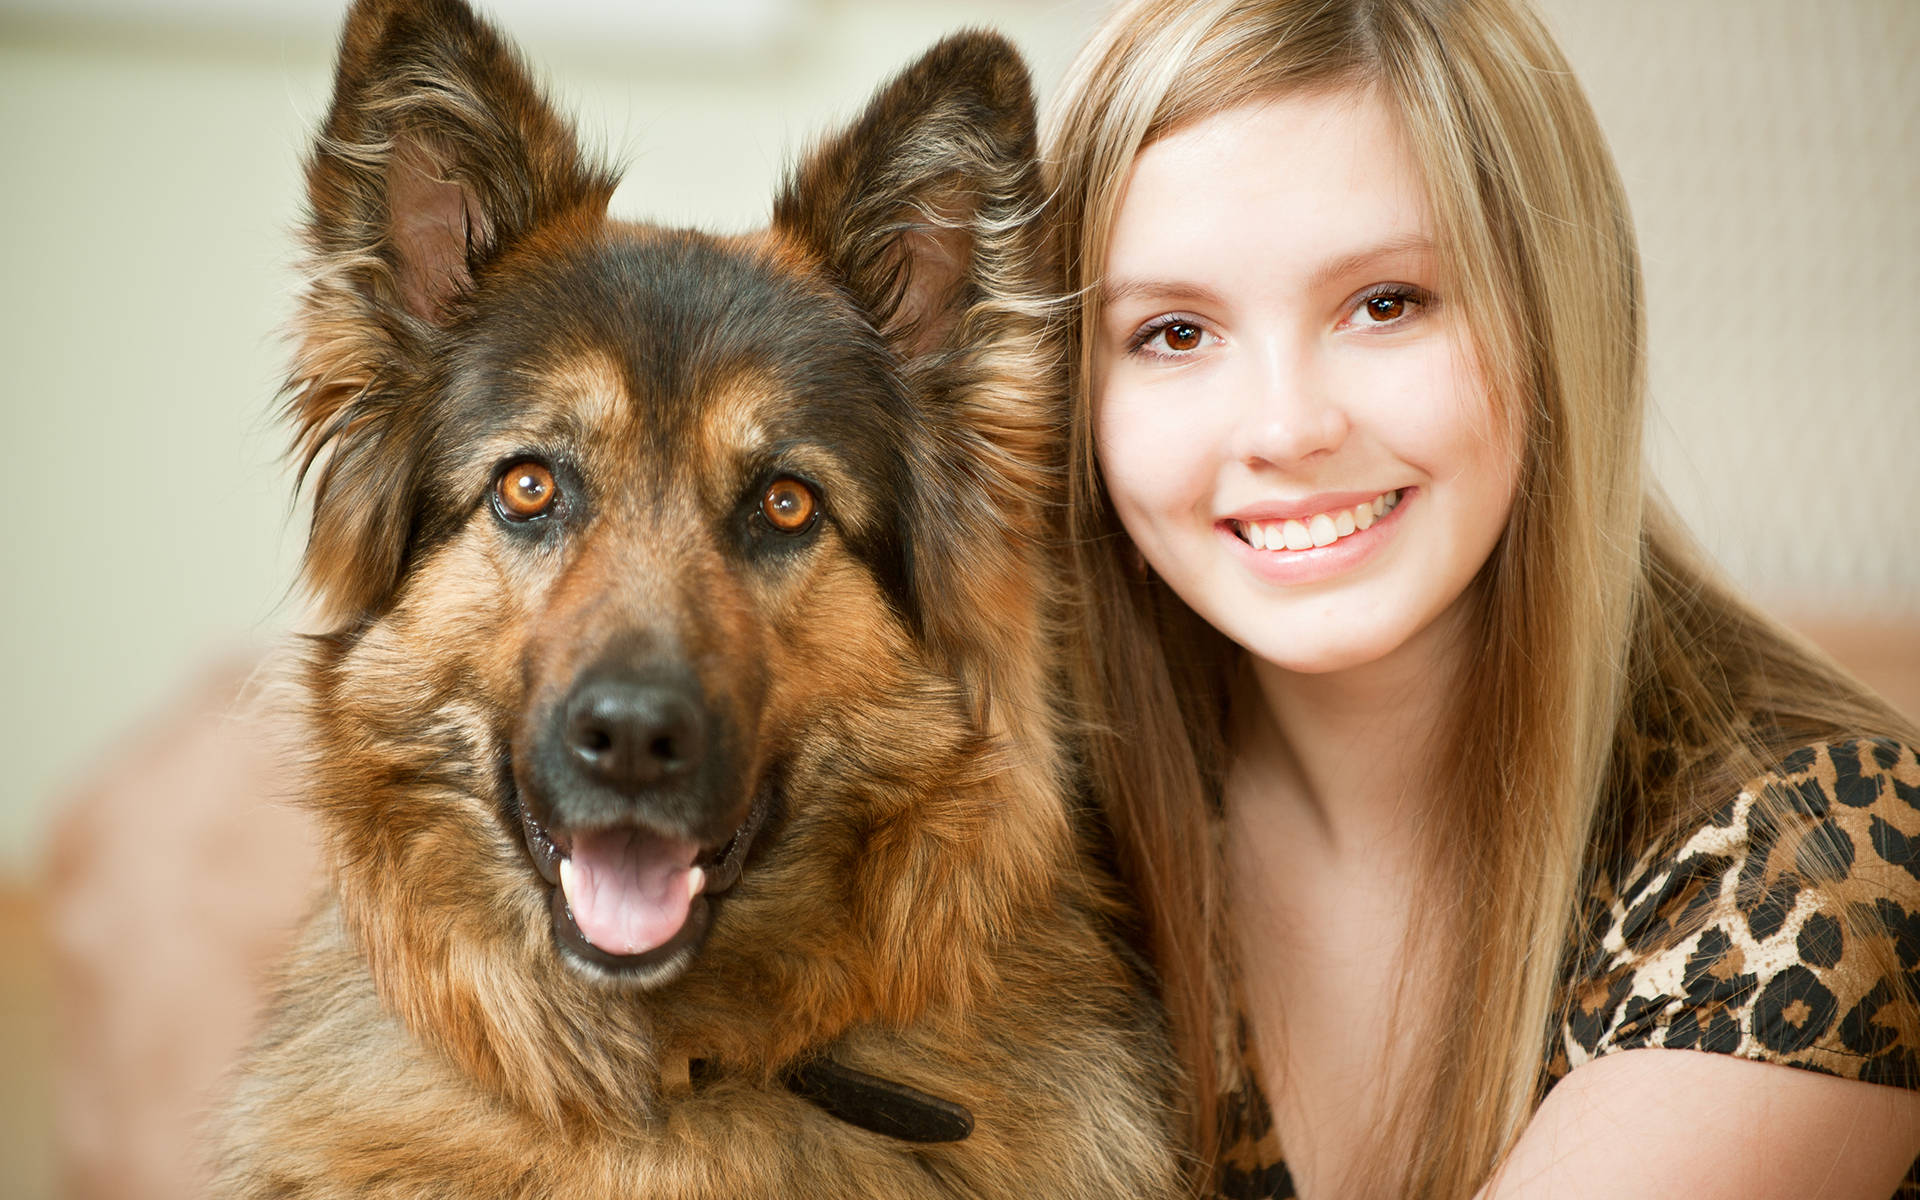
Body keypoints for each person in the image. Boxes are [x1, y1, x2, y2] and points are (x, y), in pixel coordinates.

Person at [1039, 1, 1920, 1196]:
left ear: (1555, 317)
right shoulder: (1051, 830)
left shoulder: (1820, 858)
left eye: (1386, 303)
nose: (1288, 427)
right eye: (1175, 331)